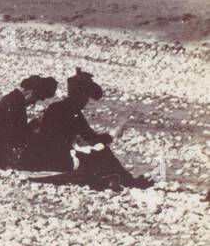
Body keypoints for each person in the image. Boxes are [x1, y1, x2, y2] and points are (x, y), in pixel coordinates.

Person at [19, 69, 150, 189]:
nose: (87, 101)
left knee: (92, 154)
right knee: (103, 153)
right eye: (87, 97)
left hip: (40, 157)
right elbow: (91, 138)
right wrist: (113, 133)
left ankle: (125, 181)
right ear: (82, 95)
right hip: (55, 160)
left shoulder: (55, 107)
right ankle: (130, 183)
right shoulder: (73, 112)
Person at [0, 75, 58, 170]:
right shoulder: (15, 102)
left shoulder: (12, 98)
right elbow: (17, 135)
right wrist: (35, 124)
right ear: (31, 91)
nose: (34, 103)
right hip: (3, 151)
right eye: (36, 98)